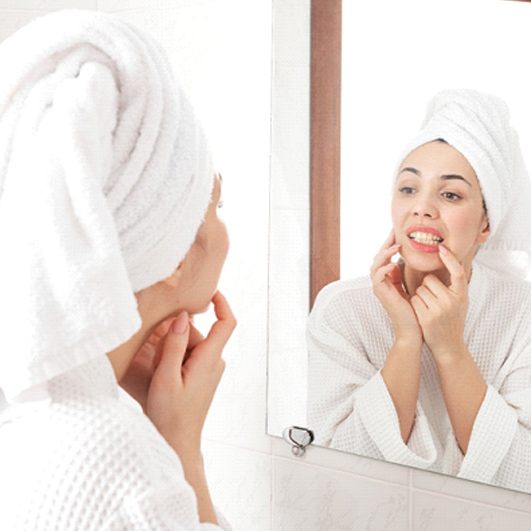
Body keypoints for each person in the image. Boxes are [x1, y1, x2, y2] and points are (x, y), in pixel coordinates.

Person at [0, 10, 236, 530]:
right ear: (175, 252)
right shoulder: (115, 460)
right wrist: (181, 449)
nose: (223, 230)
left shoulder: (27, 405)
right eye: (215, 204)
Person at [307, 89, 531, 493]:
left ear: (486, 224)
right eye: (408, 188)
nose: (422, 208)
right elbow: (335, 467)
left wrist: (449, 348)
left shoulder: (522, 313)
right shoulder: (342, 309)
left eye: (450, 194)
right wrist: (406, 340)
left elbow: (523, 474)